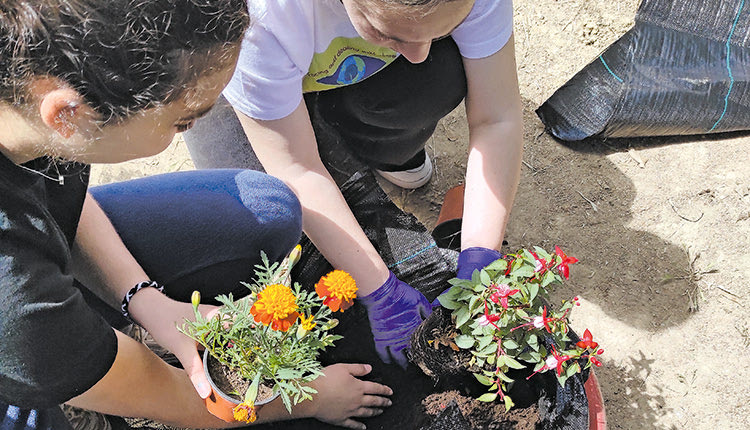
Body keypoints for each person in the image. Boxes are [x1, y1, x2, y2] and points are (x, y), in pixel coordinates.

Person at [0, 1, 393, 429]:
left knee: (268, 210)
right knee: (42, 403)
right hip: (16, 336)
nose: (192, 128)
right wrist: (307, 399)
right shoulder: (15, 295)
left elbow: (60, 201)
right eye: (184, 120)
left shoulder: (35, 88)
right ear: (68, 116)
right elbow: (166, 396)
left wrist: (148, 303)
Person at [182, 0, 523, 367]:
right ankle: (315, 120)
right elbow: (297, 169)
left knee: (435, 75)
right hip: (227, 83)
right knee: (267, 207)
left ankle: (381, 143)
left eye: (436, 33)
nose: (419, 54)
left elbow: (497, 119)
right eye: (387, 32)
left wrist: (481, 256)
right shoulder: (260, 19)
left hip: (333, 56)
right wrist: (380, 290)